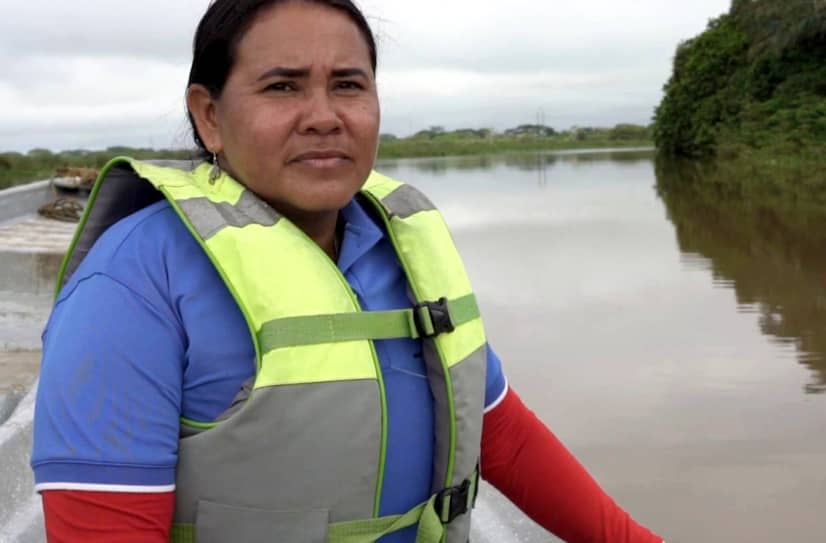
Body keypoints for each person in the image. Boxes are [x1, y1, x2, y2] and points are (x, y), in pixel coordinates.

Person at [31, 1, 665, 542]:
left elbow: (500, 433)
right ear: (210, 116)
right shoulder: (132, 284)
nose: (324, 115)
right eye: (283, 86)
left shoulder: (403, 247)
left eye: (348, 84)